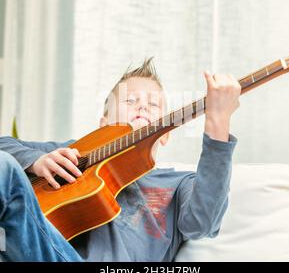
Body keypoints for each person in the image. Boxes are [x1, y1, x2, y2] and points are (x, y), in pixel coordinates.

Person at [0, 58, 241, 262]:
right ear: (104, 125)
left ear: (165, 135)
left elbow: (202, 222)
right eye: (130, 100)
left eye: (153, 104)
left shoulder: (179, 185)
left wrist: (218, 123)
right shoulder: (75, 153)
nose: (143, 107)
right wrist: (36, 161)